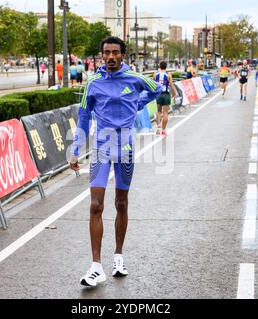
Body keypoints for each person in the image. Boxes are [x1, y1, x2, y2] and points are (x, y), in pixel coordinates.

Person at [69, 36, 162, 287]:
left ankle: (118, 256)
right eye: (106, 53)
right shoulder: (93, 83)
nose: (110, 57)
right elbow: (84, 116)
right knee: (95, 205)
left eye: (115, 53)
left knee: (121, 203)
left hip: (126, 149)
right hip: (101, 148)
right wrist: (76, 149)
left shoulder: (134, 78)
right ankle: (96, 266)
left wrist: (135, 104)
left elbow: (157, 88)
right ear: (101, 56)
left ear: (123, 55)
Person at [154, 61, 177, 137]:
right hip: (166, 94)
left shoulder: (155, 74)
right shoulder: (168, 75)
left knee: (159, 112)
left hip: (159, 94)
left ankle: (158, 128)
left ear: (159, 66)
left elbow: (153, 84)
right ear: (166, 67)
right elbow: (171, 84)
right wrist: (174, 93)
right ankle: (163, 131)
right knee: (165, 113)